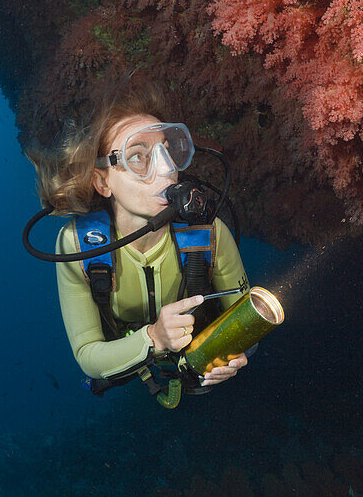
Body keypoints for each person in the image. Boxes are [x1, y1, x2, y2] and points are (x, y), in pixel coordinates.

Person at [29, 80, 249, 395]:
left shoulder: (211, 234)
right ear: (102, 182)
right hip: (129, 364)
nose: (166, 169)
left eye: (167, 150)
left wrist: (235, 351)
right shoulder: (77, 247)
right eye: (137, 156)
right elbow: (88, 356)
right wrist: (155, 338)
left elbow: (246, 319)